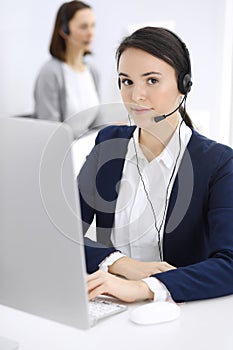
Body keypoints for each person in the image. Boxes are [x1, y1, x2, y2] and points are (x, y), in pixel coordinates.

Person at [78, 27, 233, 304]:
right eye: (126, 81)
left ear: (183, 86)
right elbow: (61, 231)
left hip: (178, 310)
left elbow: (229, 264)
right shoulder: (107, 144)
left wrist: (145, 287)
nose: (136, 96)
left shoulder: (218, 163)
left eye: (151, 80)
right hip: (105, 302)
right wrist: (119, 264)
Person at [33, 1, 100, 137]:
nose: (90, 33)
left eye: (93, 26)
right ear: (64, 30)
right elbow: (50, 132)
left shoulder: (92, 70)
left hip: (88, 150)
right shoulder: (50, 72)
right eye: (83, 27)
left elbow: (97, 122)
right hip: (63, 153)